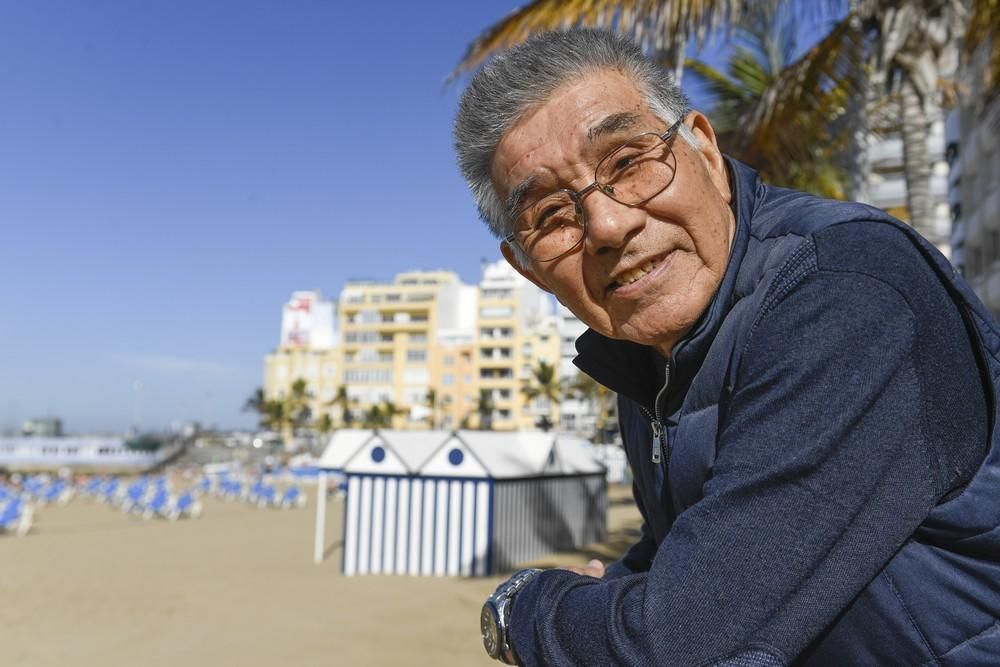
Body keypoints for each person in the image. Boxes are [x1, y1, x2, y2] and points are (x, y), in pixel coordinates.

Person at [454, 28, 1000, 667]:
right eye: (551, 216)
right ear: (527, 270)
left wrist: (523, 607)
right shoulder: (649, 355)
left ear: (705, 152)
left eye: (628, 163)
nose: (606, 225)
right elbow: (700, 543)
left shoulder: (845, 288)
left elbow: (686, 640)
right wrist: (630, 589)